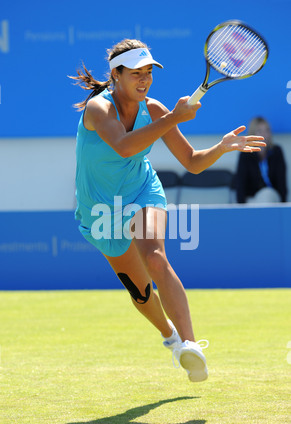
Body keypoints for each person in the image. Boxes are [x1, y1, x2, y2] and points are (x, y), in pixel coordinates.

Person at [70, 39, 266, 382]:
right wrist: (175, 117)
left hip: (141, 189)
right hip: (100, 210)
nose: (144, 81)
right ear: (116, 75)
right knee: (141, 291)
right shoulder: (97, 110)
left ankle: (192, 344)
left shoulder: (155, 109)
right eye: (135, 74)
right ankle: (171, 337)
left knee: (156, 257)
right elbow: (124, 145)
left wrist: (220, 148)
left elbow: (191, 162)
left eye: (148, 73)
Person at [236, 117, 287, 203]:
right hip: (251, 199)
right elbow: (241, 184)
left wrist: (282, 209)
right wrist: (241, 209)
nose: (264, 135)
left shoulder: (276, 152)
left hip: (272, 198)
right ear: (252, 134)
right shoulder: (245, 154)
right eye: (260, 131)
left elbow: (282, 183)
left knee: (266, 195)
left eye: (267, 130)